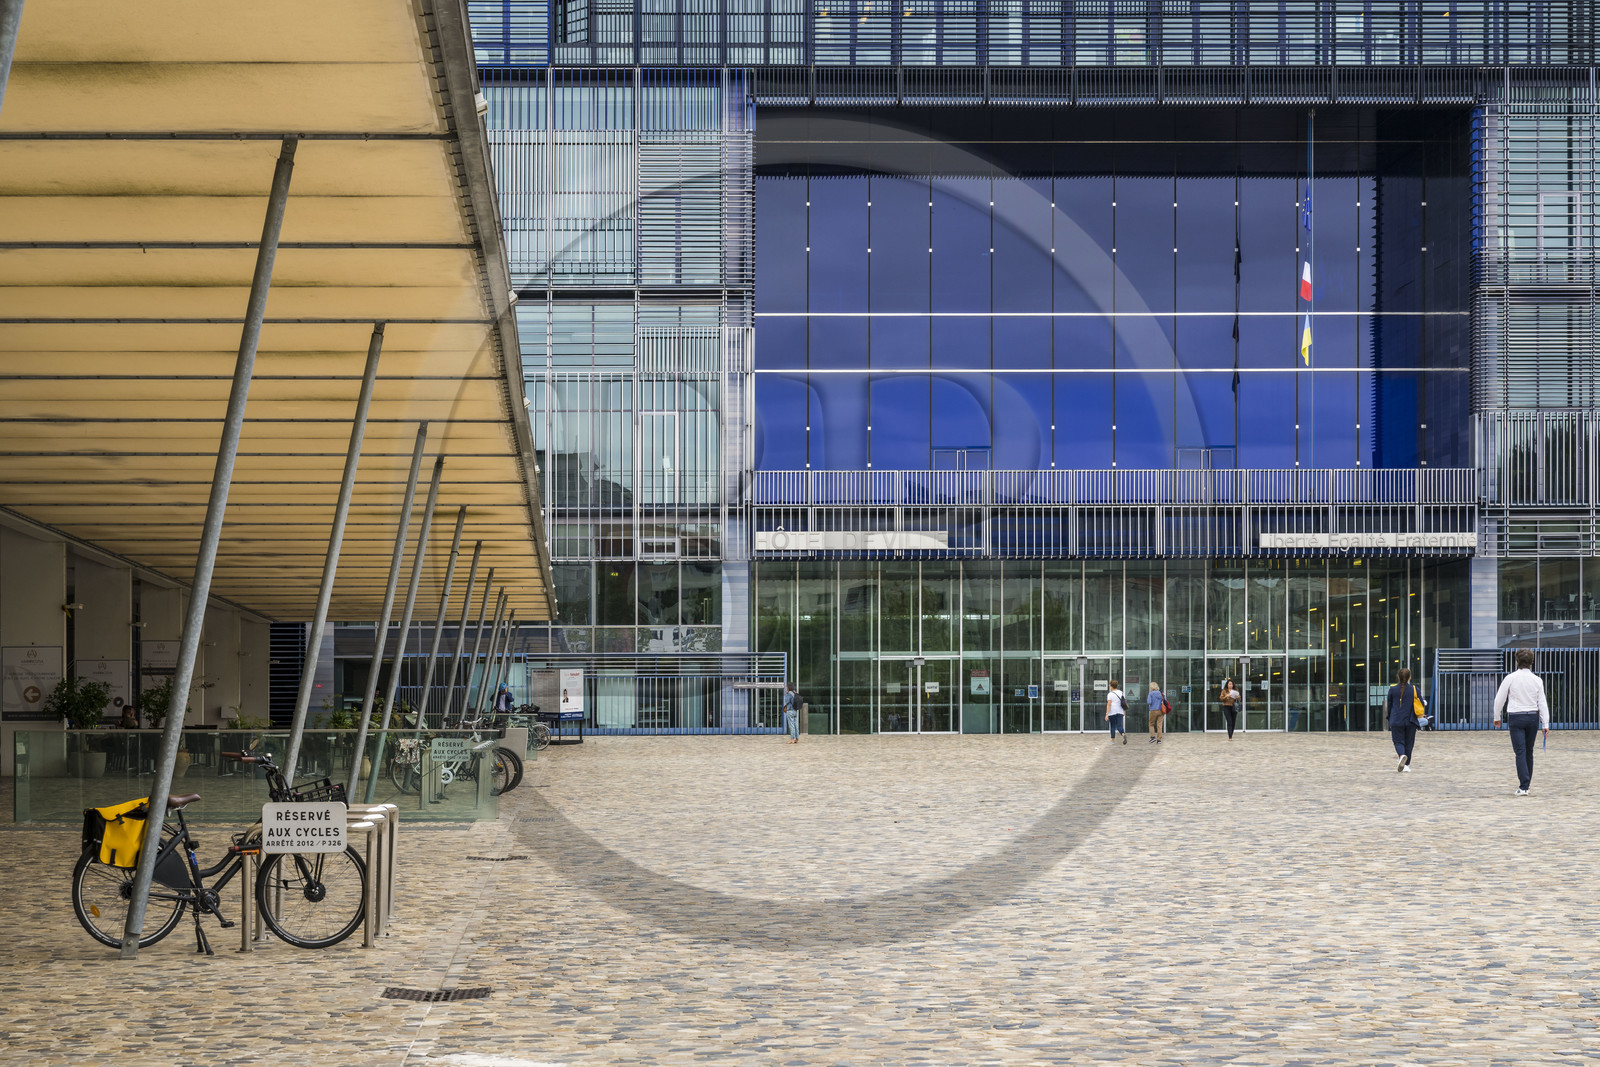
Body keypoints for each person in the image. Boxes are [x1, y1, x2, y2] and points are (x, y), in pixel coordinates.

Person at [1492, 649, 1550, 796]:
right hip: (1532, 717)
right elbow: (1542, 703)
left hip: (1516, 717)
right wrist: (1545, 723)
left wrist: (1497, 717)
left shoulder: (1510, 678)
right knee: (1529, 751)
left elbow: (1499, 699)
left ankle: (1523, 786)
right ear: (1531, 662)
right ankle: (1526, 785)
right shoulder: (1537, 680)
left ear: (1517, 661)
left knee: (1520, 752)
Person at [1385, 667, 1421, 773]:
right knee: (1409, 743)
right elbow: (1421, 703)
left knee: (1398, 742)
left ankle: (1401, 756)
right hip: (1411, 720)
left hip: (1396, 720)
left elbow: (1389, 706)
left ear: (1398, 677)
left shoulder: (1392, 690)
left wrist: (1389, 718)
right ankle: (1406, 765)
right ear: (1410, 677)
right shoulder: (1415, 689)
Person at [1105, 680, 1127, 744]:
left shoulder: (1110, 694)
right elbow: (1124, 702)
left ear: (1111, 686)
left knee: (1112, 726)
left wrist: (1107, 714)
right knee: (1119, 725)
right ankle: (1123, 734)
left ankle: (1112, 740)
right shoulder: (1121, 693)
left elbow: (1109, 704)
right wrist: (1124, 711)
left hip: (1112, 711)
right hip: (1120, 711)